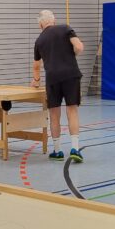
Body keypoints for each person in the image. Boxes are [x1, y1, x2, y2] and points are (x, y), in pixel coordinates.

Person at [31, 9, 85, 162]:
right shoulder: (65, 28)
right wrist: (71, 54)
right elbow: (79, 47)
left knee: (54, 114)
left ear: (41, 25)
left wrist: (36, 81)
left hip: (52, 78)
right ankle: (75, 149)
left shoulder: (39, 40)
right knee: (72, 110)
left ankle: (57, 151)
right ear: (53, 21)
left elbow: (36, 66)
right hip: (71, 75)